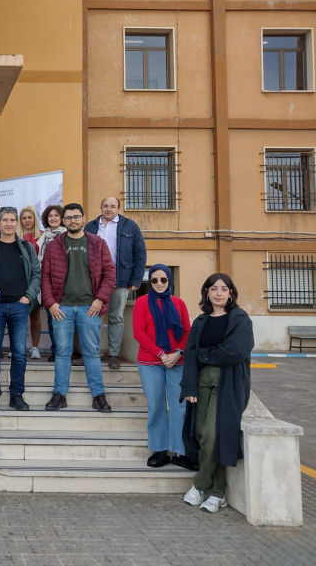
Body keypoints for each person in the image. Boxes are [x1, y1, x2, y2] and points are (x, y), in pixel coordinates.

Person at [181, 273, 253, 514]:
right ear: (207, 293)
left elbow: (235, 351)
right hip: (202, 380)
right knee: (201, 433)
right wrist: (189, 386)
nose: (219, 293)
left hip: (228, 382)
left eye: (224, 288)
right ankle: (217, 493)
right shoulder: (201, 321)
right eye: (214, 289)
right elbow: (191, 353)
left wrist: (205, 354)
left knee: (214, 433)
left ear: (231, 293)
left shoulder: (240, 319)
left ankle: (203, 486)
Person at [42, 203, 116, 414]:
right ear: (63, 221)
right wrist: (51, 303)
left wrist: (100, 299)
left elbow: (110, 274)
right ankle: (59, 395)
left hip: (89, 307)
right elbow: (45, 276)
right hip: (61, 308)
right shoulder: (55, 245)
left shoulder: (97, 243)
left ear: (84, 218)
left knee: (91, 353)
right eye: (68, 218)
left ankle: (99, 396)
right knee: (62, 353)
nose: (72, 220)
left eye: (76, 217)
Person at [0, 207, 40, 412]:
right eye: (5, 220)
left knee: (19, 354)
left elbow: (37, 274)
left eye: (13, 220)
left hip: (19, 307)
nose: (9, 224)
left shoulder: (27, 248)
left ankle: (16, 394)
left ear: (17, 224)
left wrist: (28, 297)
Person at [132, 264, 193, 469]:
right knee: (156, 406)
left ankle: (181, 451)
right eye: (155, 280)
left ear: (169, 281)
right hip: (150, 363)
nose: (159, 284)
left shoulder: (179, 303)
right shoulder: (142, 302)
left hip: (177, 362)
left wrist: (177, 353)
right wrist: (161, 354)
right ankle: (159, 449)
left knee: (179, 407)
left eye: (163, 280)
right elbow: (139, 332)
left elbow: (186, 331)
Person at [83, 196, 146, 370]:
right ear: (101, 207)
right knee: (90, 317)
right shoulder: (91, 226)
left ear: (118, 208)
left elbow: (140, 253)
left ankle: (113, 355)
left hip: (121, 279)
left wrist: (136, 279)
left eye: (112, 206)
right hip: (93, 281)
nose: (108, 209)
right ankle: (91, 353)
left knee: (116, 317)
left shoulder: (130, 226)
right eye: (105, 206)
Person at [36, 205, 65, 362]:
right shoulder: (44, 237)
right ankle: (55, 351)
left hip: (64, 284)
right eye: (50, 216)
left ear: (62, 218)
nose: (53, 218)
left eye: (56, 215)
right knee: (51, 318)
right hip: (47, 283)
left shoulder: (66, 235)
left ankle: (64, 351)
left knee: (63, 319)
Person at [18, 205, 43, 360]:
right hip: (19, 281)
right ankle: (18, 347)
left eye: (30, 217)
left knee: (35, 314)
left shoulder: (42, 236)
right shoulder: (15, 236)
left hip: (35, 280)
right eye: (24, 218)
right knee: (18, 315)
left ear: (34, 219)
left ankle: (35, 347)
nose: (27, 220)